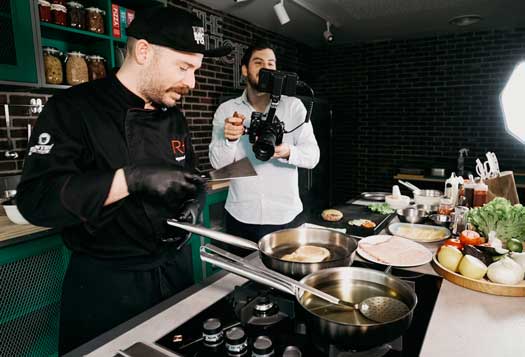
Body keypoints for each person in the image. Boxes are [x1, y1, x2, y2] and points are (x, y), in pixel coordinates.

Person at [16, 7, 230, 355]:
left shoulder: (173, 115)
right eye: (184, 67)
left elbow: (193, 177)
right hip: (107, 289)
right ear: (143, 51)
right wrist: (129, 180)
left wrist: (193, 203)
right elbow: (36, 199)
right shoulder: (73, 109)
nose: (191, 82)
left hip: (175, 273)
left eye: (195, 70)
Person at [209, 40, 320, 243]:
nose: (266, 69)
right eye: (259, 63)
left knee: (284, 276)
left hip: (286, 216)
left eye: (271, 64)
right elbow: (218, 165)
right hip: (241, 215)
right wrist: (230, 139)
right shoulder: (226, 110)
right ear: (244, 70)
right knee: (240, 275)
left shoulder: (293, 107)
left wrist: (287, 151)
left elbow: (313, 157)